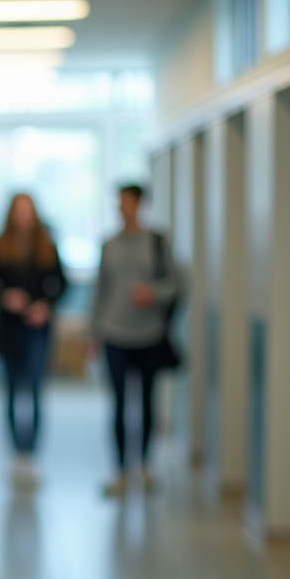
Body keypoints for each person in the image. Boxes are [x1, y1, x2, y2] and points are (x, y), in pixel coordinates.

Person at [90, 184, 179, 496]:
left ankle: (143, 465)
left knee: (146, 401)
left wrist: (151, 292)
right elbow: (100, 290)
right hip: (115, 333)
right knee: (118, 403)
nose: (122, 207)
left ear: (140, 204)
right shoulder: (109, 245)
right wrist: (93, 333)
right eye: (119, 202)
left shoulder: (157, 242)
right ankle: (119, 471)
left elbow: (175, 283)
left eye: (127, 201)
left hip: (149, 334)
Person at [0, 194, 66, 487]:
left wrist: (46, 305)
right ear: (11, 214)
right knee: (12, 394)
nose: (24, 216)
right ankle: (16, 454)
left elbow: (61, 284)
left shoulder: (47, 246)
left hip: (37, 330)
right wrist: (5, 296)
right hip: (9, 330)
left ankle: (31, 456)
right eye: (19, 211)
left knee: (36, 393)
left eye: (28, 211)